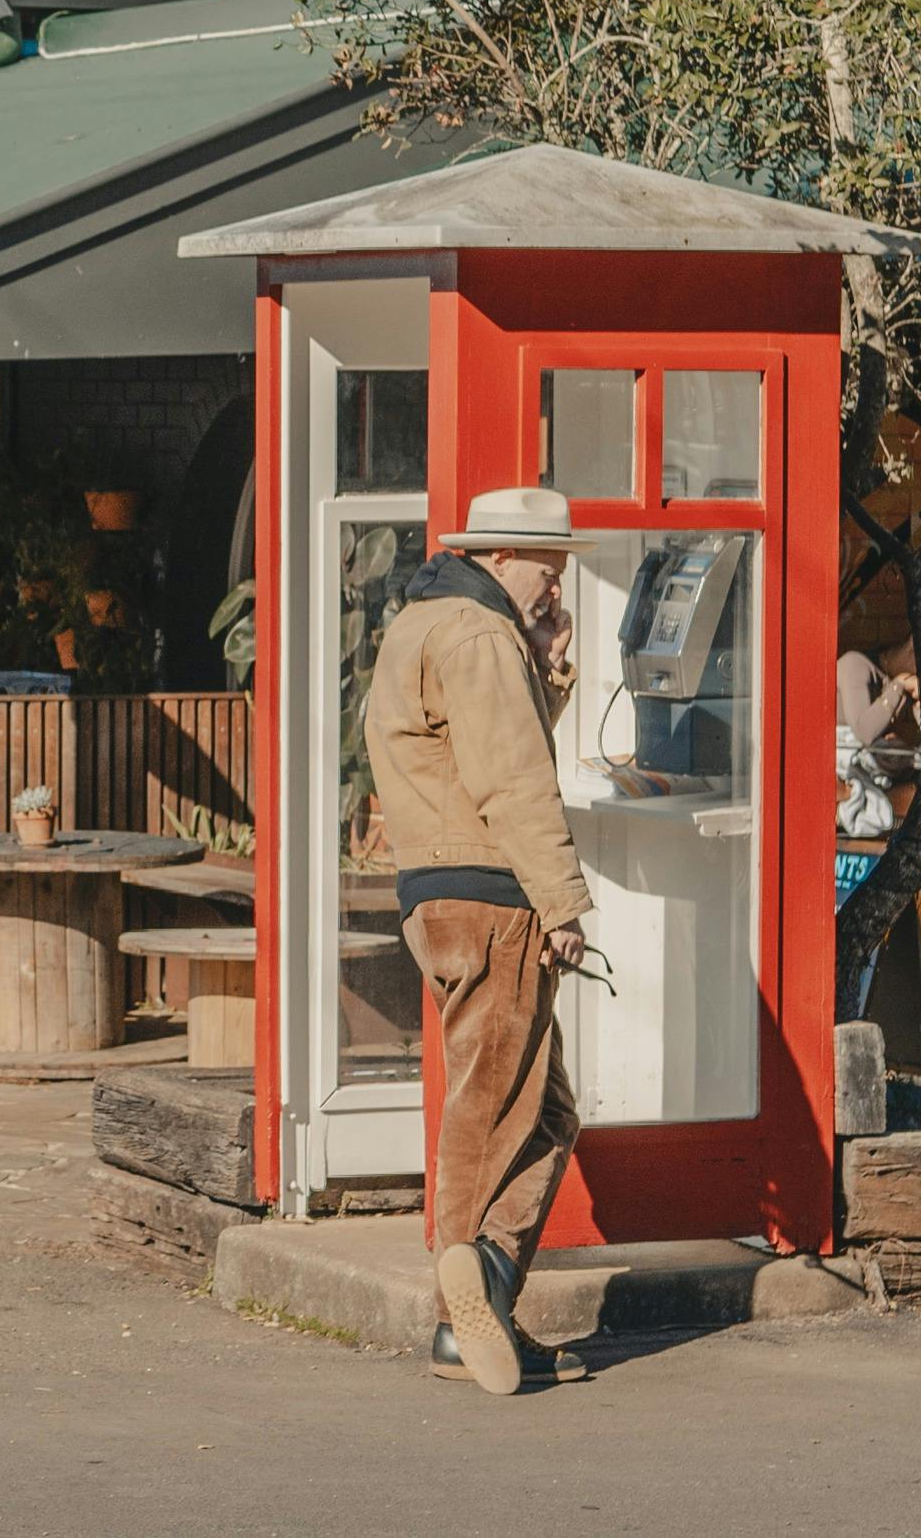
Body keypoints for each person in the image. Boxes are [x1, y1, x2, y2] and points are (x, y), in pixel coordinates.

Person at [367, 484, 593, 1396]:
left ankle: (483, 1306)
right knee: (492, 1096)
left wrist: (551, 663)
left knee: (544, 1107)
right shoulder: (476, 631)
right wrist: (565, 902)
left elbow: (465, 752)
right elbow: (514, 778)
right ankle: (461, 1268)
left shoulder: (423, 624)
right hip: (495, 892)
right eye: (550, 566)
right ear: (501, 555)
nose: (557, 584)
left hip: (436, 889)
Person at [835, 614, 921, 751]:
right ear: (916, 642)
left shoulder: (908, 687)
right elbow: (864, 732)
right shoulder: (856, 664)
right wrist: (899, 684)